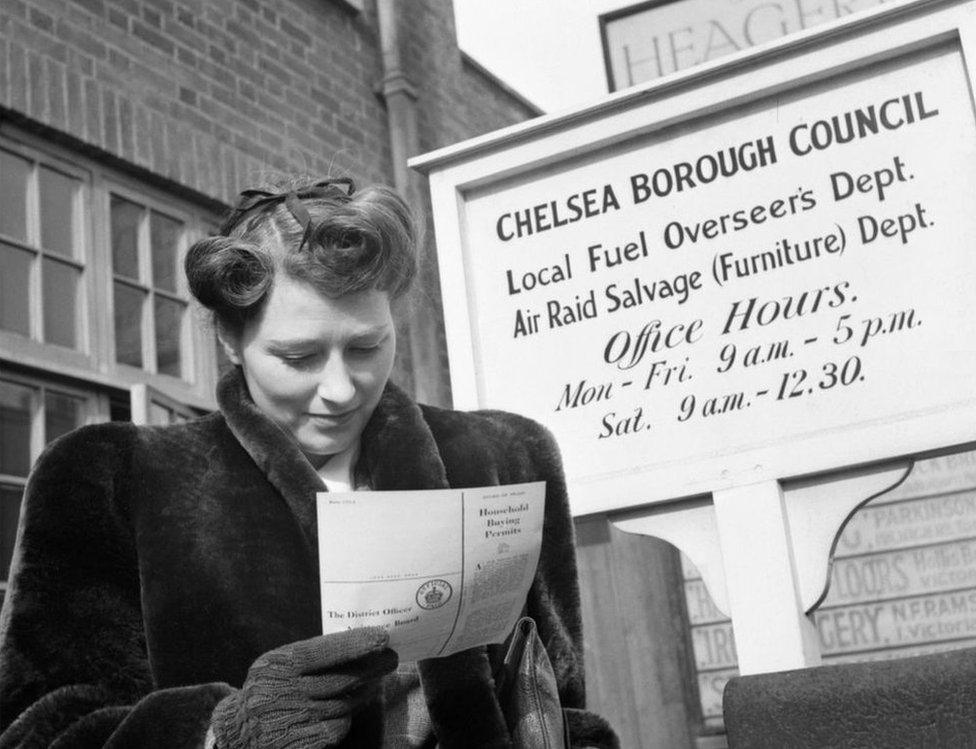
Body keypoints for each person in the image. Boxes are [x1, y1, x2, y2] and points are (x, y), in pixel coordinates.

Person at [0, 177, 618, 748]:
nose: (342, 389)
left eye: (367, 346)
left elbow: (558, 703)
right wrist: (222, 735)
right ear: (229, 340)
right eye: (299, 357)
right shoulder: (113, 479)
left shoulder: (505, 455)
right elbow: (45, 730)